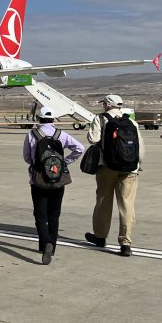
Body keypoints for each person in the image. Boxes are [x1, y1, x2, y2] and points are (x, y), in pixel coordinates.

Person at [23, 105, 84, 265]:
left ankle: (45, 244)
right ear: (53, 119)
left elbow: (27, 157)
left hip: (38, 180)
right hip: (58, 179)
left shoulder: (32, 134)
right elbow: (80, 148)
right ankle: (53, 246)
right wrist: (64, 162)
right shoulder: (61, 134)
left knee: (40, 215)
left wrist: (39, 167)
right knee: (54, 215)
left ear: (39, 118)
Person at [85, 94, 144, 257]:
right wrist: (137, 165)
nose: (103, 106)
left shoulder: (101, 119)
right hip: (130, 169)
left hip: (107, 167)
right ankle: (125, 243)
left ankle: (100, 236)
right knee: (127, 205)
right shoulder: (131, 121)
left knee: (104, 201)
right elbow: (140, 148)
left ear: (109, 105)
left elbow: (93, 138)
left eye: (104, 104)